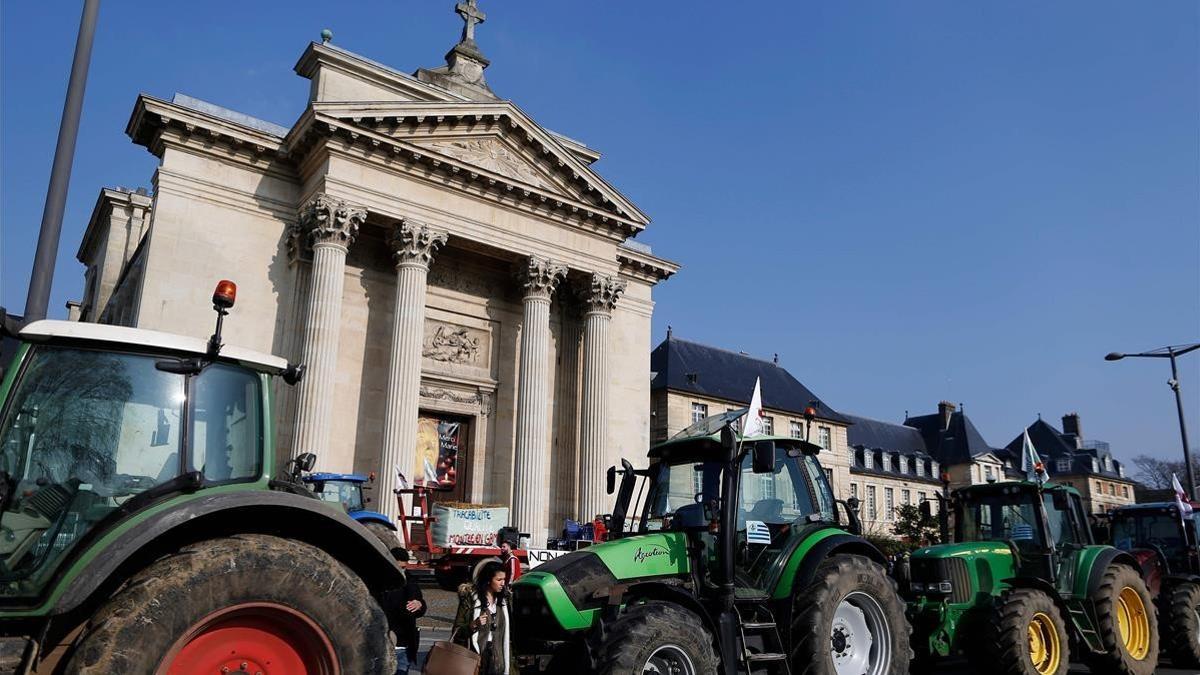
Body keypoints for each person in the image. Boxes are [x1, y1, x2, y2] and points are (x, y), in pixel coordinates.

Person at [453, 561, 512, 675]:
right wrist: (473, 625)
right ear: (489, 580)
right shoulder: (470, 600)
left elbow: (510, 636)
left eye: (504, 580)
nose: (502, 583)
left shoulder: (504, 602)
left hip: (498, 660)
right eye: (499, 580)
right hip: (476, 660)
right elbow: (457, 631)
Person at [380, 547, 426, 674]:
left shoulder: (410, 582)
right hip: (384, 645)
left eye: (404, 567)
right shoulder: (379, 584)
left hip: (404, 645)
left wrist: (419, 604)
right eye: (399, 567)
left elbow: (419, 607)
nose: (401, 571)